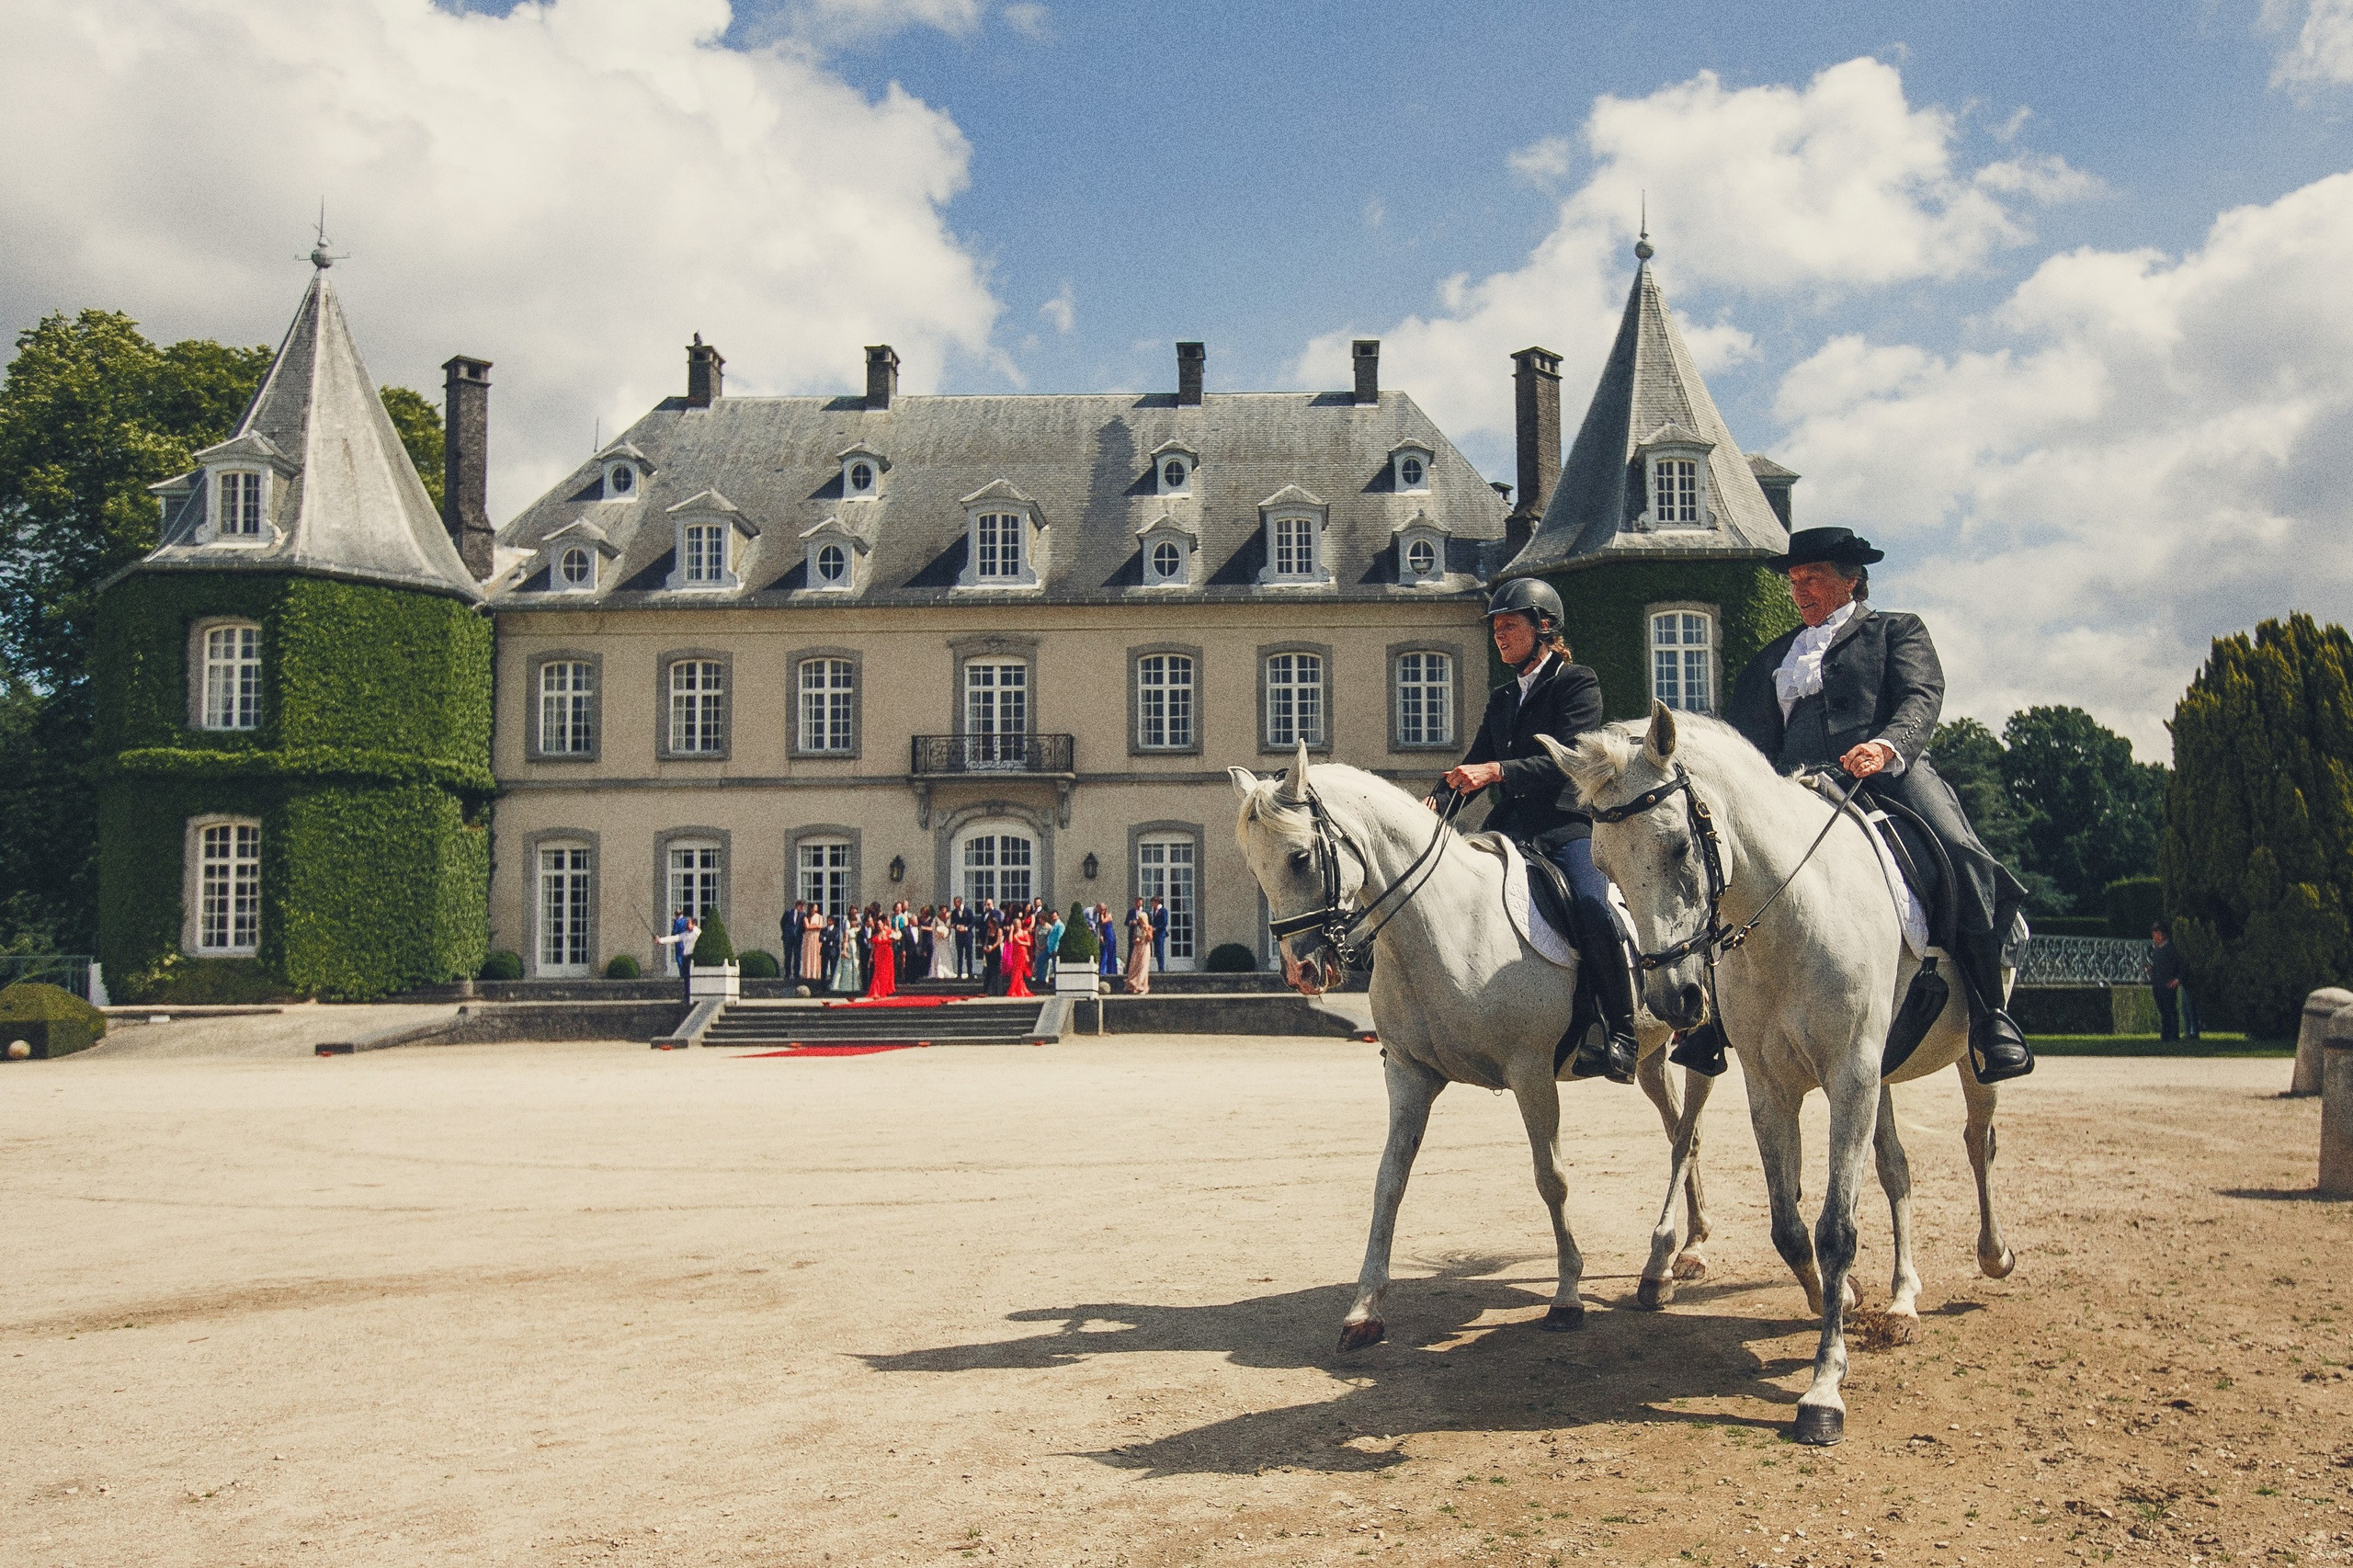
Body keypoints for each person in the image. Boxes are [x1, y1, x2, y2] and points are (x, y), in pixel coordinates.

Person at [1724, 526, 2034, 1084]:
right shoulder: (1775, 656)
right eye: (1795, 581)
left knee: (1961, 852)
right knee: (1727, 864)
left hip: (1886, 774)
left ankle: (1991, 1020)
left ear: (1852, 581)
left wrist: (1886, 745)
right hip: (1797, 786)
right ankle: (1706, 1019)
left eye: (1813, 579)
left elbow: (1922, 695)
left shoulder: (1897, 631)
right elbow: (1747, 737)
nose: (1800, 591)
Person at [1425, 579, 1634, 1084]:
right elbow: (1472, 765)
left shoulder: (1577, 682)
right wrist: (1431, 809)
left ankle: (1622, 1030)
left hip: (1565, 824)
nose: (1499, 636)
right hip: (1511, 830)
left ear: (1545, 627)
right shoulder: (1501, 700)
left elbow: (1573, 761)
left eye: (1509, 626)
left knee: (1589, 905)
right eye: (1496, 628)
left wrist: (1498, 772)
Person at [2150, 922, 2187, 1042]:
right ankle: (2165, 1036)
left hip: (2168, 984)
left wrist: (2177, 980)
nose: (2155, 937)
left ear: (2162, 934)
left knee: (2170, 1010)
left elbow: (2181, 965)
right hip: (2158, 985)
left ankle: (2174, 1036)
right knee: (2163, 1012)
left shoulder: (2170, 948)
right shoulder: (2156, 951)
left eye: (2157, 934)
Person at [656, 909, 699, 1006]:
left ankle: (691, 996)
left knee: (691, 978)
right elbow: (674, 938)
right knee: (686, 978)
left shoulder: (697, 932)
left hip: (692, 957)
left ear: (693, 924)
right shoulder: (685, 934)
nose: (686, 925)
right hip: (686, 957)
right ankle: (687, 996)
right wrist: (660, 940)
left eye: (688, 923)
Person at [865, 910, 899, 999]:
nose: (879, 926)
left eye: (880, 924)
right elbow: (873, 948)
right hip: (878, 956)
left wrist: (895, 934)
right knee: (878, 973)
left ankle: (885, 990)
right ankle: (876, 991)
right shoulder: (875, 936)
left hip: (887, 955)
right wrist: (870, 958)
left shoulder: (889, 932)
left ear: (883, 925)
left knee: (886, 973)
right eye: (878, 925)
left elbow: (895, 938)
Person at [1124, 898, 1154, 994]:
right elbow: (1134, 937)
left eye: (1140, 920)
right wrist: (1136, 939)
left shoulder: (1148, 927)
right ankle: (1133, 985)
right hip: (1137, 948)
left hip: (1144, 948)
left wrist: (1145, 930)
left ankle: (1143, 986)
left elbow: (1149, 938)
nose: (1139, 921)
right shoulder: (1136, 927)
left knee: (1142, 967)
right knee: (1134, 966)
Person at [1003, 915, 1035, 998]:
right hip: (1015, 953)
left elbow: (1029, 943)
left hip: (1022, 953)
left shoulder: (1024, 932)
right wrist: (1011, 930)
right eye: (1016, 924)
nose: (1017, 925)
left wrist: (1020, 942)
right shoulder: (1014, 933)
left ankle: (1013, 990)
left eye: (1018, 924)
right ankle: (1020, 990)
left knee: (1018, 972)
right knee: (1015, 972)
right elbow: (1010, 941)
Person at [800, 903, 826, 988]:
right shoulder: (806, 917)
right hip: (808, 938)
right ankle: (807, 973)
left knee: (816, 954)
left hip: (816, 937)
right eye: (814, 907)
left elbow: (820, 926)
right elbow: (807, 927)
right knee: (808, 955)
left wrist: (813, 926)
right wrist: (814, 926)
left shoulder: (819, 917)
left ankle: (815, 973)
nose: (815, 909)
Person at [949, 895, 976, 979]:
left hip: (967, 936)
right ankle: (959, 973)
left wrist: (966, 928)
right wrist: (957, 927)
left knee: (969, 954)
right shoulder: (954, 912)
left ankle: (970, 972)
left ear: (960, 902)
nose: (955, 905)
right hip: (959, 936)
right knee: (959, 955)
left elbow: (972, 922)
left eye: (956, 903)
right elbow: (953, 923)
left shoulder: (968, 911)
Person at [929, 905, 957, 979]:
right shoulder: (936, 919)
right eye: (942, 910)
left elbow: (951, 926)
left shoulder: (950, 918)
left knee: (946, 953)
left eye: (945, 910)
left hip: (946, 939)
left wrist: (948, 931)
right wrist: (939, 934)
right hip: (939, 939)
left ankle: (948, 971)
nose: (943, 912)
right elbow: (934, 930)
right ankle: (938, 971)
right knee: (939, 954)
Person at [781, 901, 803, 983]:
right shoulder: (788, 912)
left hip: (798, 938)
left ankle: (796, 973)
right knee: (788, 955)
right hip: (788, 937)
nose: (802, 909)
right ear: (797, 906)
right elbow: (782, 923)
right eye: (801, 907)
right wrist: (786, 932)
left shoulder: (803, 915)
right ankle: (787, 973)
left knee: (797, 956)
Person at [1150, 895, 1169, 974]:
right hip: (1156, 934)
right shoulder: (1155, 911)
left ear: (1157, 902)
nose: (1152, 904)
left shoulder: (1163, 911)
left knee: (1160, 950)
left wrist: (1156, 928)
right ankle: (1159, 967)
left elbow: (1164, 923)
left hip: (1160, 933)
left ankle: (1161, 968)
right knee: (1157, 951)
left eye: (1153, 903)